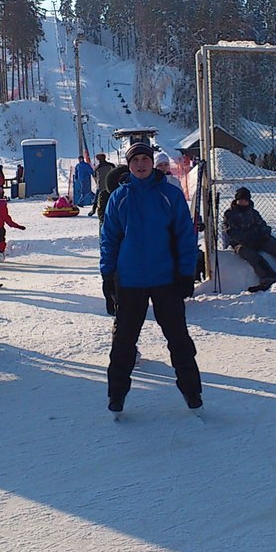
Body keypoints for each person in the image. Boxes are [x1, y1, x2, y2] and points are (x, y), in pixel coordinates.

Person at [100, 141, 202, 414]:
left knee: (178, 338)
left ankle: (192, 392)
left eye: (145, 159)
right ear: (128, 165)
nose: (141, 165)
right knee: (123, 341)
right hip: (130, 281)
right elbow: (109, 239)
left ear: (152, 162)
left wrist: (186, 273)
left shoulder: (169, 194)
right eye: (135, 161)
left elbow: (185, 237)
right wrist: (107, 275)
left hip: (165, 278)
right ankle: (116, 396)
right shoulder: (119, 198)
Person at [222, 187, 276, 292]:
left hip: (257, 239)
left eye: (245, 200)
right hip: (241, 244)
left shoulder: (253, 212)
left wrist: (264, 233)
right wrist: (248, 239)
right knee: (252, 255)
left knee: (272, 243)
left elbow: (262, 225)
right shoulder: (230, 214)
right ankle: (268, 277)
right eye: (240, 200)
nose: (243, 202)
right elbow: (232, 232)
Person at [0, 189, 26, 261]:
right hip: (0, 229)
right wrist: (18, 226)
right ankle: (1, 254)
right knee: (1, 242)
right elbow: (9, 222)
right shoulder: (4, 212)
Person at [88, 152, 115, 216]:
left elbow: (94, 176)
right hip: (110, 185)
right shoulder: (111, 165)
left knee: (96, 198)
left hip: (100, 186)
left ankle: (93, 210)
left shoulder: (97, 167)